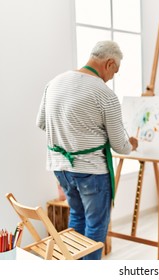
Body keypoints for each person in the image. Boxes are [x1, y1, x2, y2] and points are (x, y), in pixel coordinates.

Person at [36, 40, 138, 260]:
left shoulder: (54, 82)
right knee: (96, 225)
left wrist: (70, 133)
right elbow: (120, 145)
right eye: (115, 71)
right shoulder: (104, 94)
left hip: (60, 168)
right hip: (92, 171)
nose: (113, 77)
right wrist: (131, 144)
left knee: (77, 216)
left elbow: (41, 123)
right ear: (109, 63)